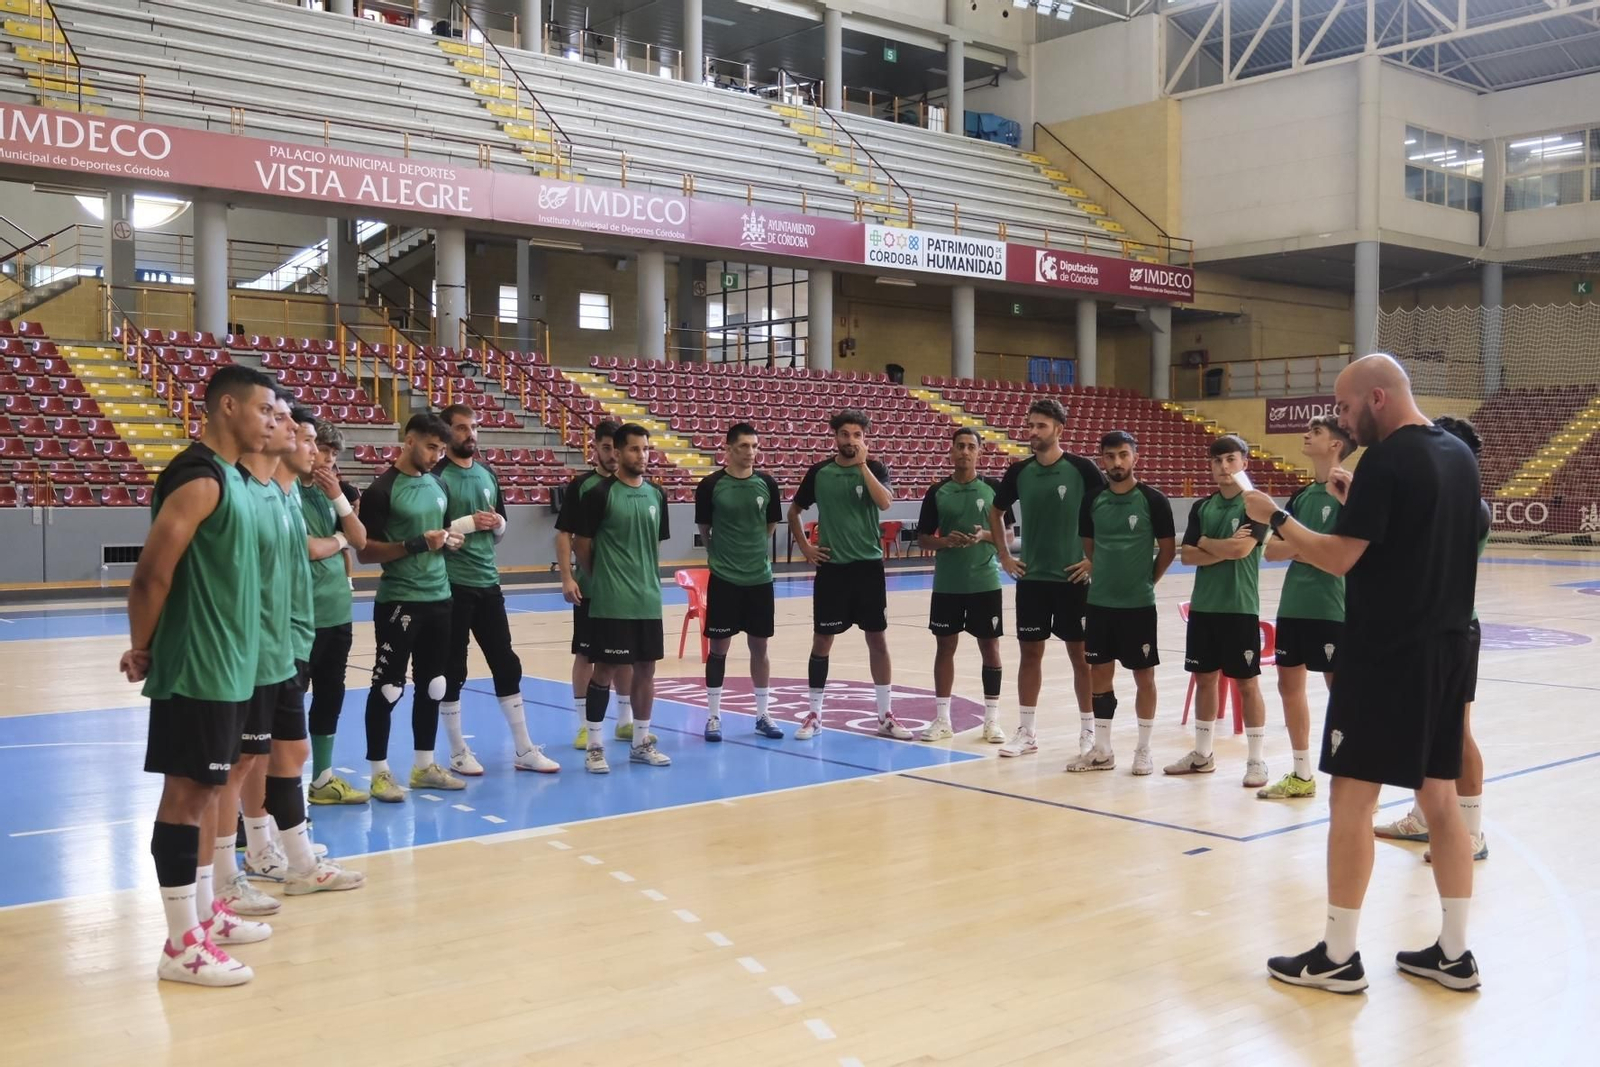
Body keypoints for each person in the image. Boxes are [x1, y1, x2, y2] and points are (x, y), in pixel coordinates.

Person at [1251, 354, 1482, 994]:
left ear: (1377, 398)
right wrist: (1363, 504)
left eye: (1347, 410)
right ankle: (1455, 954)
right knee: (1439, 799)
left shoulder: (1386, 459)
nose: (1343, 425)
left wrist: (1276, 516)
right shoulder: (1458, 456)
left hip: (1388, 652)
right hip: (1449, 646)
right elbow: (1423, 532)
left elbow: (1338, 559)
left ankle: (1338, 955)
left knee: (1352, 799)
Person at [124, 364, 275, 986]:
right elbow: (151, 574)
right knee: (185, 799)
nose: (272, 420)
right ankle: (180, 946)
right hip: (199, 666)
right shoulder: (199, 478)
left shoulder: (235, 480)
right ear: (228, 407)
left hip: (230, 665)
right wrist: (143, 647)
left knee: (209, 795)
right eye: (264, 409)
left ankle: (201, 918)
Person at [236, 397, 365, 900]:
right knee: (248, 759)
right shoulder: (250, 491)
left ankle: (289, 855)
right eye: (307, 439)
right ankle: (243, 863)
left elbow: (355, 538)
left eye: (312, 439)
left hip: (294, 636)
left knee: (283, 751)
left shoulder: (288, 497)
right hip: (264, 645)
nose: (314, 449)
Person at [1374, 415, 1491, 863]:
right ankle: (1425, 818)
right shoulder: (1441, 501)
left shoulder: (1472, 508)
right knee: (1424, 731)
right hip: (1420, 627)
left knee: (1457, 733)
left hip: (1456, 628)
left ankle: (1473, 832)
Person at [434, 404, 559, 774]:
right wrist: (470, 523)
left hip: (488, 583)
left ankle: (523, 748)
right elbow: (432, 535)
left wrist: (498, 523)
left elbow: (498, 533)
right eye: (460, 428)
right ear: (445, 433)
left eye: (473, 427)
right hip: (451, 586)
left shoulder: (488, 473)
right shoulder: (437, 478)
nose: (470, 434)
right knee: (453, 667)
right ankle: (457, 751)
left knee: (506, 663)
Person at [988, 398, 1107, 758]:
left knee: (1081, 658)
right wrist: (1005, 555)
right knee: (1029, 656)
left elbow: (1109, 510)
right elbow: (996, 512)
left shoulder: (1082, 468)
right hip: (1033, 580)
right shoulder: (1018, 472)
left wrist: (1093, 560)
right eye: (1030, 425)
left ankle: (1088, 732)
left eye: (1040, 426)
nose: (1033, 432)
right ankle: (1027, 732)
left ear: (1059, 429)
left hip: (1074, 579)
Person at [357, 412, 465, 802]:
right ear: (409, 441)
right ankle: (379, 772)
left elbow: (443, 532)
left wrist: (449, 541)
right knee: (388, 687)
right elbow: (365, 552)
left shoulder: (439, 485)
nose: (438, 455)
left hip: (440, 598)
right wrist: (418, 543)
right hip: (399, 601)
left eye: (441, 448)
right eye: (432, 447)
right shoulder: (382, 490)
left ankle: (424, 766)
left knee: (435, 685)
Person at [788, 409, 907, 741]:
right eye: (845, 434)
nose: (851, 440)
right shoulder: (820, 473)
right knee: (822, 641)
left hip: (868, 568)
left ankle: (885, 715)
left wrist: (864, 466)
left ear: (864, 438)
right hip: (833, 571)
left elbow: (885, 504)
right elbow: (793, 512)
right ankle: (814, 714)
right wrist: (806, 549)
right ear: (835, 437)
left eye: (857, 435)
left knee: (877, 640)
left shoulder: (877, 468)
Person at [1258, 415, 1355, 800]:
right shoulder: (1298, 498)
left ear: (1336, 445)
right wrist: (1313, 549)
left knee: (1343, 694)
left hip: (1333, 608)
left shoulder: (1347, 492)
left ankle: (1356, 776)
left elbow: (1342, 556)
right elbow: (1271, 550)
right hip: (1294, 605)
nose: (1306, 435)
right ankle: (1301, 774)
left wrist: (1301, 549)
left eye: (1316, 432)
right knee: (1288, 686)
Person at [1164, 435, 1270, 785]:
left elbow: (1242, 552)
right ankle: (1202, 755)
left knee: (1247, 684)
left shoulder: (1257, 505)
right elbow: (1187, 555)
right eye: (1217, 461)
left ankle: (1256, 760)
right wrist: (1217, 545)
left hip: (1239, 607)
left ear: (1243, 462)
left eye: (1230, 460)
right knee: (1205, 679)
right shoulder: (1201, 507)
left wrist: (1206, 542)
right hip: (1205, 608)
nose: (1224, 467)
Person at [1069, 431, 1176, 775]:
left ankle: (1143, 749)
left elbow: (1168, 550)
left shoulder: (1153, 500)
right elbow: (1090, 547)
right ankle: (1102, 749)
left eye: (1123, 455)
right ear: (1102, 459)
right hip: (1099, 603)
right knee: (1100, 672)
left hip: (1139, 605)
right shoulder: (1093, 500)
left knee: (1144, 676)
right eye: (1110, 456)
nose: (1116, 462)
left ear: (1135, 458)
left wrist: (1146, 581)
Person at [573, 423, 671, 772]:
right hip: (612, 600)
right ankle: (595, 746)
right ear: (616, 451)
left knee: (646, 670)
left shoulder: (657, 495)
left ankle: (641, 742)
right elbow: (580, 544)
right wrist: (603, 577)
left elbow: (653, 545)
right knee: (604, 671)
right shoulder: (598, 494)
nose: (641, 455)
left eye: (645, 449)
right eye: (633, 449)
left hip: (648, 599)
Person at [693, 422, 785, 742]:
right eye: (744, 446)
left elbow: (770, 525)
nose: (750, 452)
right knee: (718, 650)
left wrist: (752, 551)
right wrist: (718, 556)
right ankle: (714, 716)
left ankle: (762, 714)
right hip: (725, 578)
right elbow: (705, 530)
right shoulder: (710, 485)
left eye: (755, 446)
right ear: (729, 448)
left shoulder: (767, 484)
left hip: (759, 578)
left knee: (760, 647)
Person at [915, 427, 1006, 743]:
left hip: (985, 582)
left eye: (971, 446)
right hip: (948, 585)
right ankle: (942, 719)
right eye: (960, 446)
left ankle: (991, 721)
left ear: (980, 451)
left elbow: (1006, 539)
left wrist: (983, 536)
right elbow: (923, 538)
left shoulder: (994, 489)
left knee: (990, 647)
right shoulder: (937, 491)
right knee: (945, 647)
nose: (965, 451)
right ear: (951, 452)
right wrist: (944, 542)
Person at [556, 420, 636, 748]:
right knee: (586, 655)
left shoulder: (633, 487)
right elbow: (565, 535)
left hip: (626, 591)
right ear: (597, 448)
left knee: (624, 657)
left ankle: (626, 720)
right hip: (591, 590)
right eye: (605, 448)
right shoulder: (583, 486)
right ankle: (583, 724)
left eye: (615, 448)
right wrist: (567, 577)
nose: (612, 455)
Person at [301, 421, 370, 805]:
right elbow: (310, 548)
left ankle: (323, 778)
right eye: (321, 449)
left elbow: (360, 542)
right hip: (299, 614)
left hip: (336, 611)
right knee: (287, 703)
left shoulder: (335, 494)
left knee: (330, 696)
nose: (326, 459)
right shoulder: (288, 490)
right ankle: (272, 789)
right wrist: (340, 538)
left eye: (332, 453)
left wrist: (340, 504)